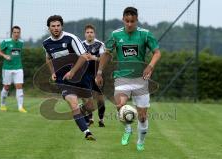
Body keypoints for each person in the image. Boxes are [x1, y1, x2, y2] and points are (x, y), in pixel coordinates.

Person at [95, 7, 161, 151]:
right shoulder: (116, 35)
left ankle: (140, 141)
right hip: (122, 78)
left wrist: (150, 66)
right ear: (123, 20)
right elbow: (106, 54)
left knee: (142, 117)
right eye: (127, 21)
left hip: (140, 79)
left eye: (132, 21)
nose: (130, 24)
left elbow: (157, 53)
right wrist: (99, 72)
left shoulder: (145, 34)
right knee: (120, 105)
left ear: (137, 20)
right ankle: (128, 129)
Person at [42, 15, 96, 140]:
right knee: (73, 104)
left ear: (62, 26)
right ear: (49, 28)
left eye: (58, 25)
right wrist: (52, 72)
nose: (56, 28)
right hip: (64, 80)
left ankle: (79, 113)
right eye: (53, 26)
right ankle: (87, 132)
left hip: (81, 76)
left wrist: (72, 71)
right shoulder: (46, 43)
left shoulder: (71, 38)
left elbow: (84, 56)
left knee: (90, 107)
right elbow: (48, 58)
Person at [0, 26, 27, 113]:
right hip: (7, 68)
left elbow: (16, 53)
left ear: (20, 33)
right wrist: (5, 55)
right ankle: (2, 105)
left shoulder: (21, 42)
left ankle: (20, 107)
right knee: (6, 87)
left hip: (18, 68)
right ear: (12, 33)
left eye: (18, 32)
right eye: (15, 32)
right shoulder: (6, 42)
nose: (16, 34)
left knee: (19, 86)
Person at [82, 24, 106, 127]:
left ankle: (101, 119)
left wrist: (93, 58)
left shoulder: (100, 44)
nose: (89, 34)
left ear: (94, 34)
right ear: (85, 34)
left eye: (91, 32)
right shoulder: (80, 44)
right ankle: (89, 118)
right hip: (83, 76)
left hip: (97, 75)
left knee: (100, 100)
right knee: (87, 99)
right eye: (87, 32)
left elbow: (103, 59)